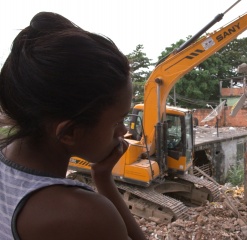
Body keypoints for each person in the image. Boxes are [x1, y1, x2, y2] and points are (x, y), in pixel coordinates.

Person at [0, 12, 146, 240]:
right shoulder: (84, 214)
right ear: (69, 132)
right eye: (118, 121)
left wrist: (102, 175)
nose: (124, 131)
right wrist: (105, 183)